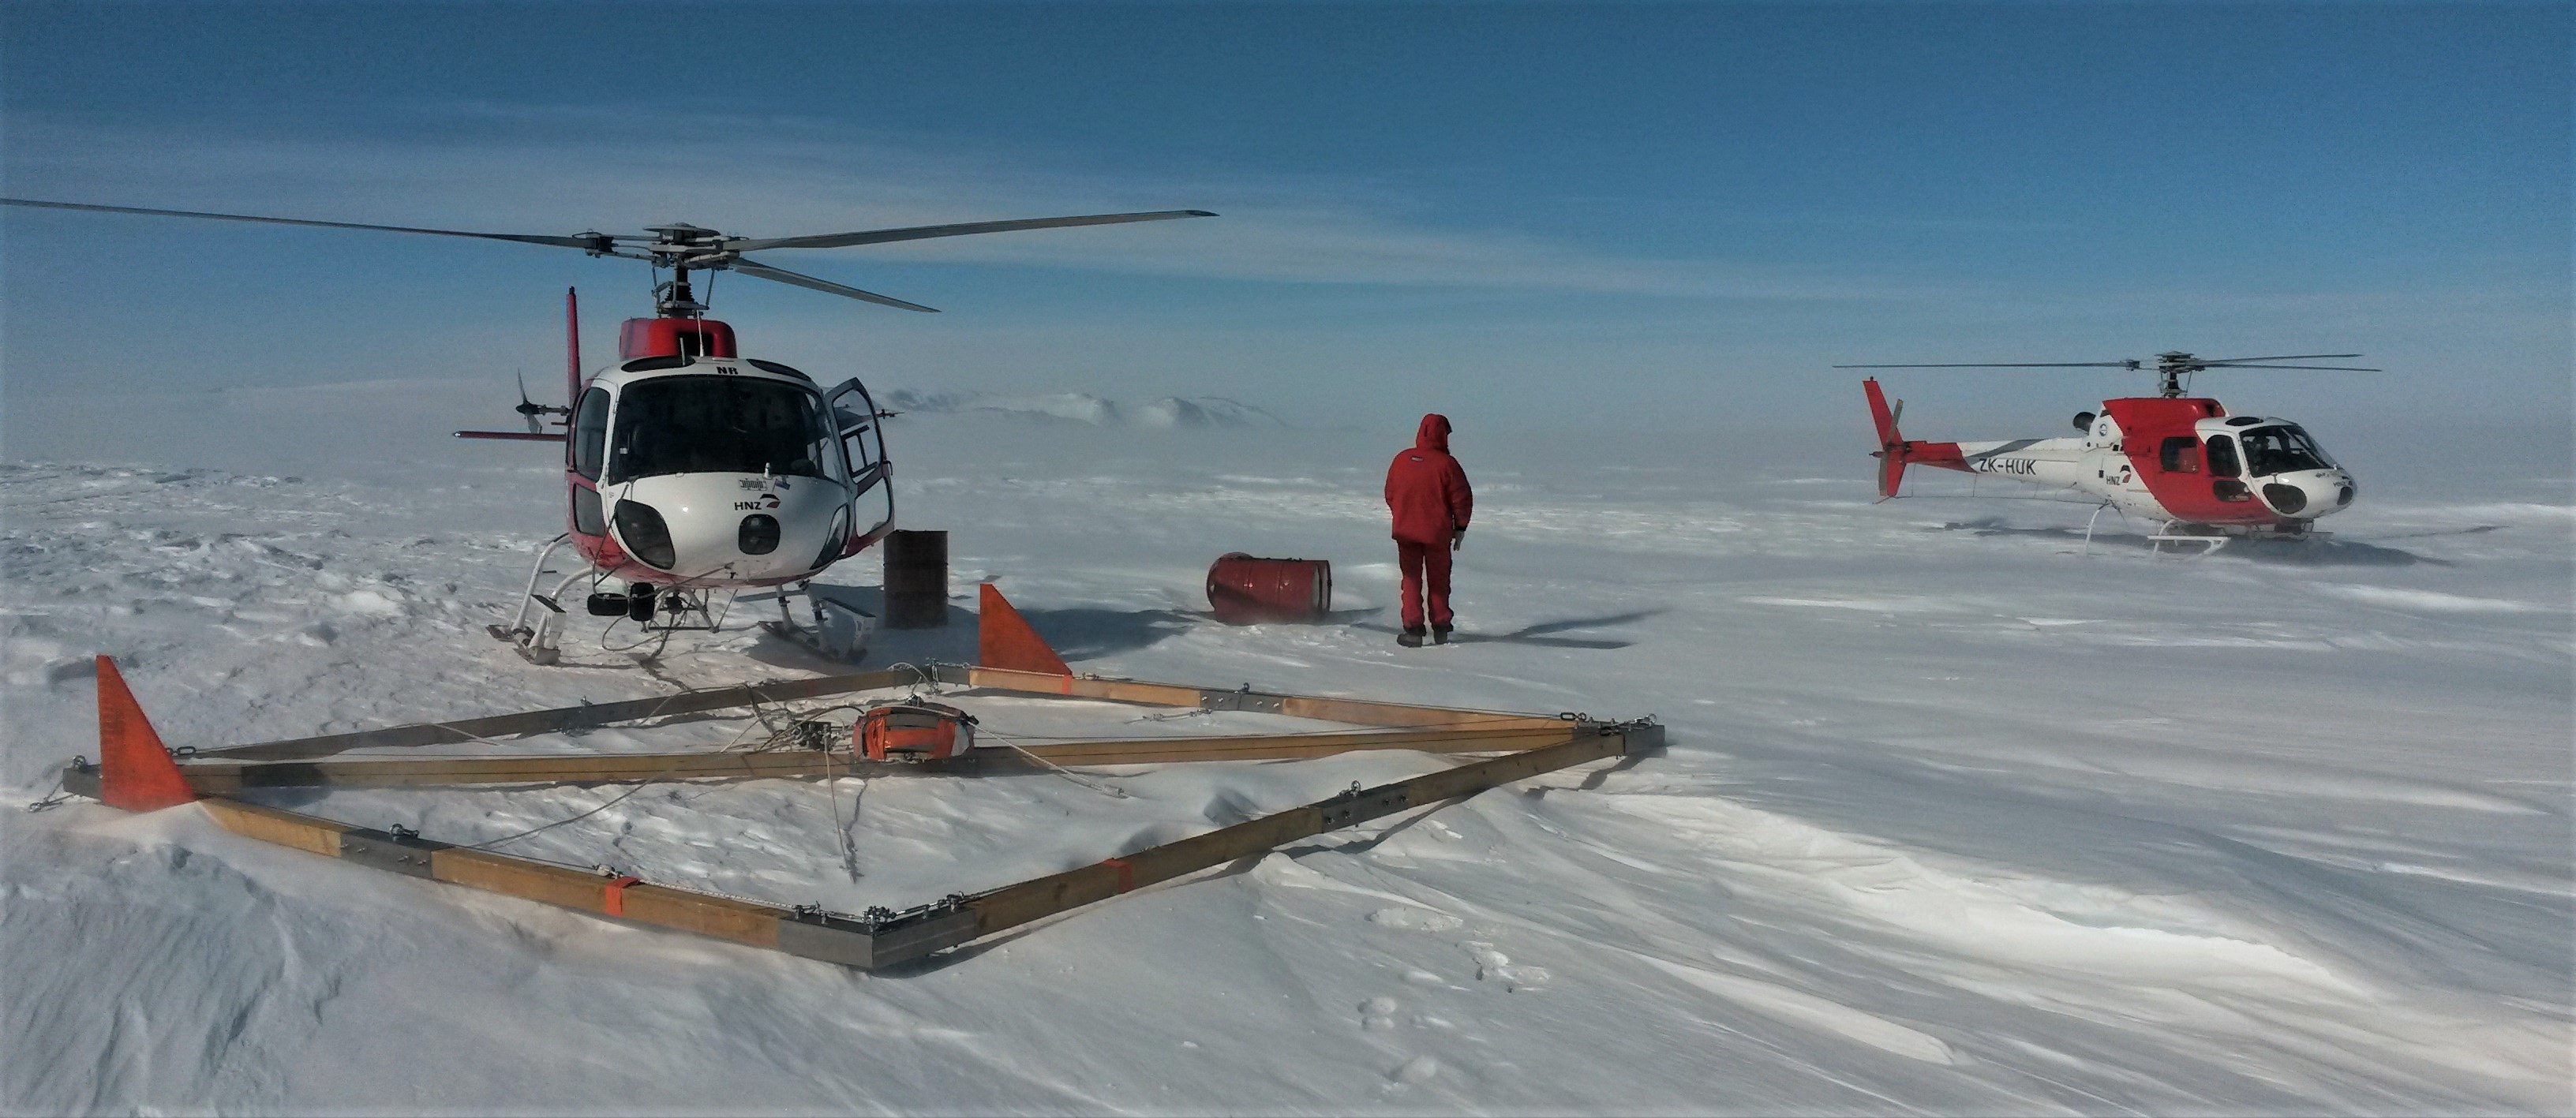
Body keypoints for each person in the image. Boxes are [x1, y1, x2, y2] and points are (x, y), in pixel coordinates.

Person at [1383, 413, 1473, 647]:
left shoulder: (1401, 460)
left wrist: (1403, 514)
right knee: (1439, 581)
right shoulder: (1447, 465)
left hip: (1406, 533)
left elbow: (1390, 494)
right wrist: (1460, 526)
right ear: (1443, 435)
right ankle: (1441, 626)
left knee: (1411, 580)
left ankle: (1413, 630)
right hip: (1437, 534)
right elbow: (1462, 499)